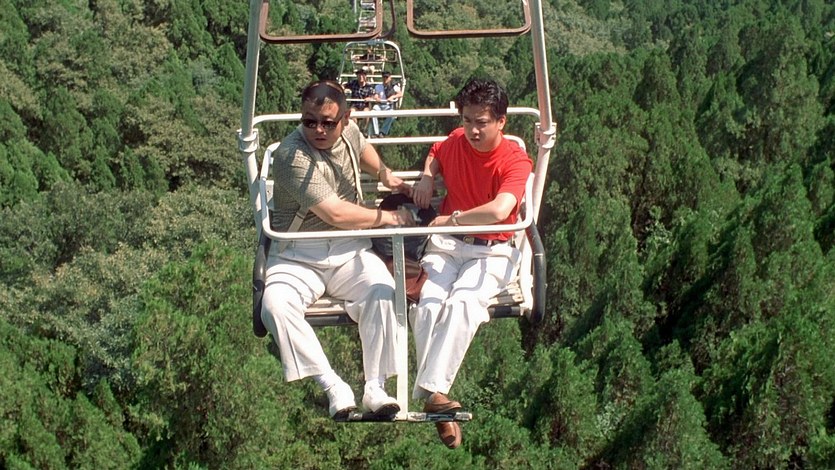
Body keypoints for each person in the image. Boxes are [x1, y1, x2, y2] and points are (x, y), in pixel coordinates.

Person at [260, 79, 416, 419]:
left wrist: (384, 173)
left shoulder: (349, 133)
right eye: (309, 121)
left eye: (328, 123)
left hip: (348, 248)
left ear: (345, 120)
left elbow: (362, 147)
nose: (318, 130)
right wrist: (388, 218)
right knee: (274, 306)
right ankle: (332, 385)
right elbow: (335, 213)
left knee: (383, 292)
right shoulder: (291, 156)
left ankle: (375, 387)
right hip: (299, 252)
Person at [410, 78, 533, 448]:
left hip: (491, 250)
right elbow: (437, 150)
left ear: (501, 122)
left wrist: (453, 219)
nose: (473, 131)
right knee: (428, 304)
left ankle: (432, 394)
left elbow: (500, 209)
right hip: (448, 247)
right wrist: (428, 176)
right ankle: (437, 400)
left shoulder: (515, 160)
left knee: (464, 302)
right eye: (467, 121)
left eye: (482, 123)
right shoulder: (457, 141)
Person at [368, 71, 403, 137]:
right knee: (372, 113)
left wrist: (393, 97)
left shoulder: (394, 87)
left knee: (392, 115)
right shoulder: (378, 86)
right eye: (384, 77)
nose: (385, 79)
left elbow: (400, 94)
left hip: (388, 106)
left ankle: (383, 131)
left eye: (386, 77)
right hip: (379, 105)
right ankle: (376, 132)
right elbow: (376, 95)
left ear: (390, 78)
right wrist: (376, 98)